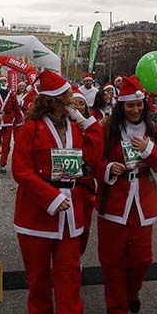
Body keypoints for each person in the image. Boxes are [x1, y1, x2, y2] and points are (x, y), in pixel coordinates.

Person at [12, 70, 103, 314]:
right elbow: (21, 171)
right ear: (52, 101)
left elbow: (95, 157)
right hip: (37, 213)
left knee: (69, 275)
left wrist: (85, 120)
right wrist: (50, 198)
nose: (71, 102)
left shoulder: (77, 127)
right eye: (66, 97)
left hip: (69, 214)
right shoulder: (31, 129)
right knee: (38, 275)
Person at [98, 76, 157, 314]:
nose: (135, 110)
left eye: (139, 105)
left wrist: (149, 149)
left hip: (143, 200)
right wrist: (108, 167)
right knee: (112, 259)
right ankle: (116, 309)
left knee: (142, 259)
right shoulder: (109, 130)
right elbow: (94, 161)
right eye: (130, 106)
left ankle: (132, 292)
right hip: (115, 201)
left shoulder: (153, 130)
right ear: (122, 106)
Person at [69, 86, 103, 257]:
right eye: (73, 104)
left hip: (85, 185)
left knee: (84, 225)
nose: (78, 107)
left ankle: (76, 256)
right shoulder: (61, 127)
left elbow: (97, 156)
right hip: (65, 185)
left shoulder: (92, 127)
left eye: (81, 104)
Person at [0, 75, 22, 174]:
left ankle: (3, 164)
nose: (3, 82)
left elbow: (16, 108)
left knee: (6, 144)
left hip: (8, 122)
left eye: (5, 80)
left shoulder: (11, 94)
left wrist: (19, 120)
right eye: (1, 81)